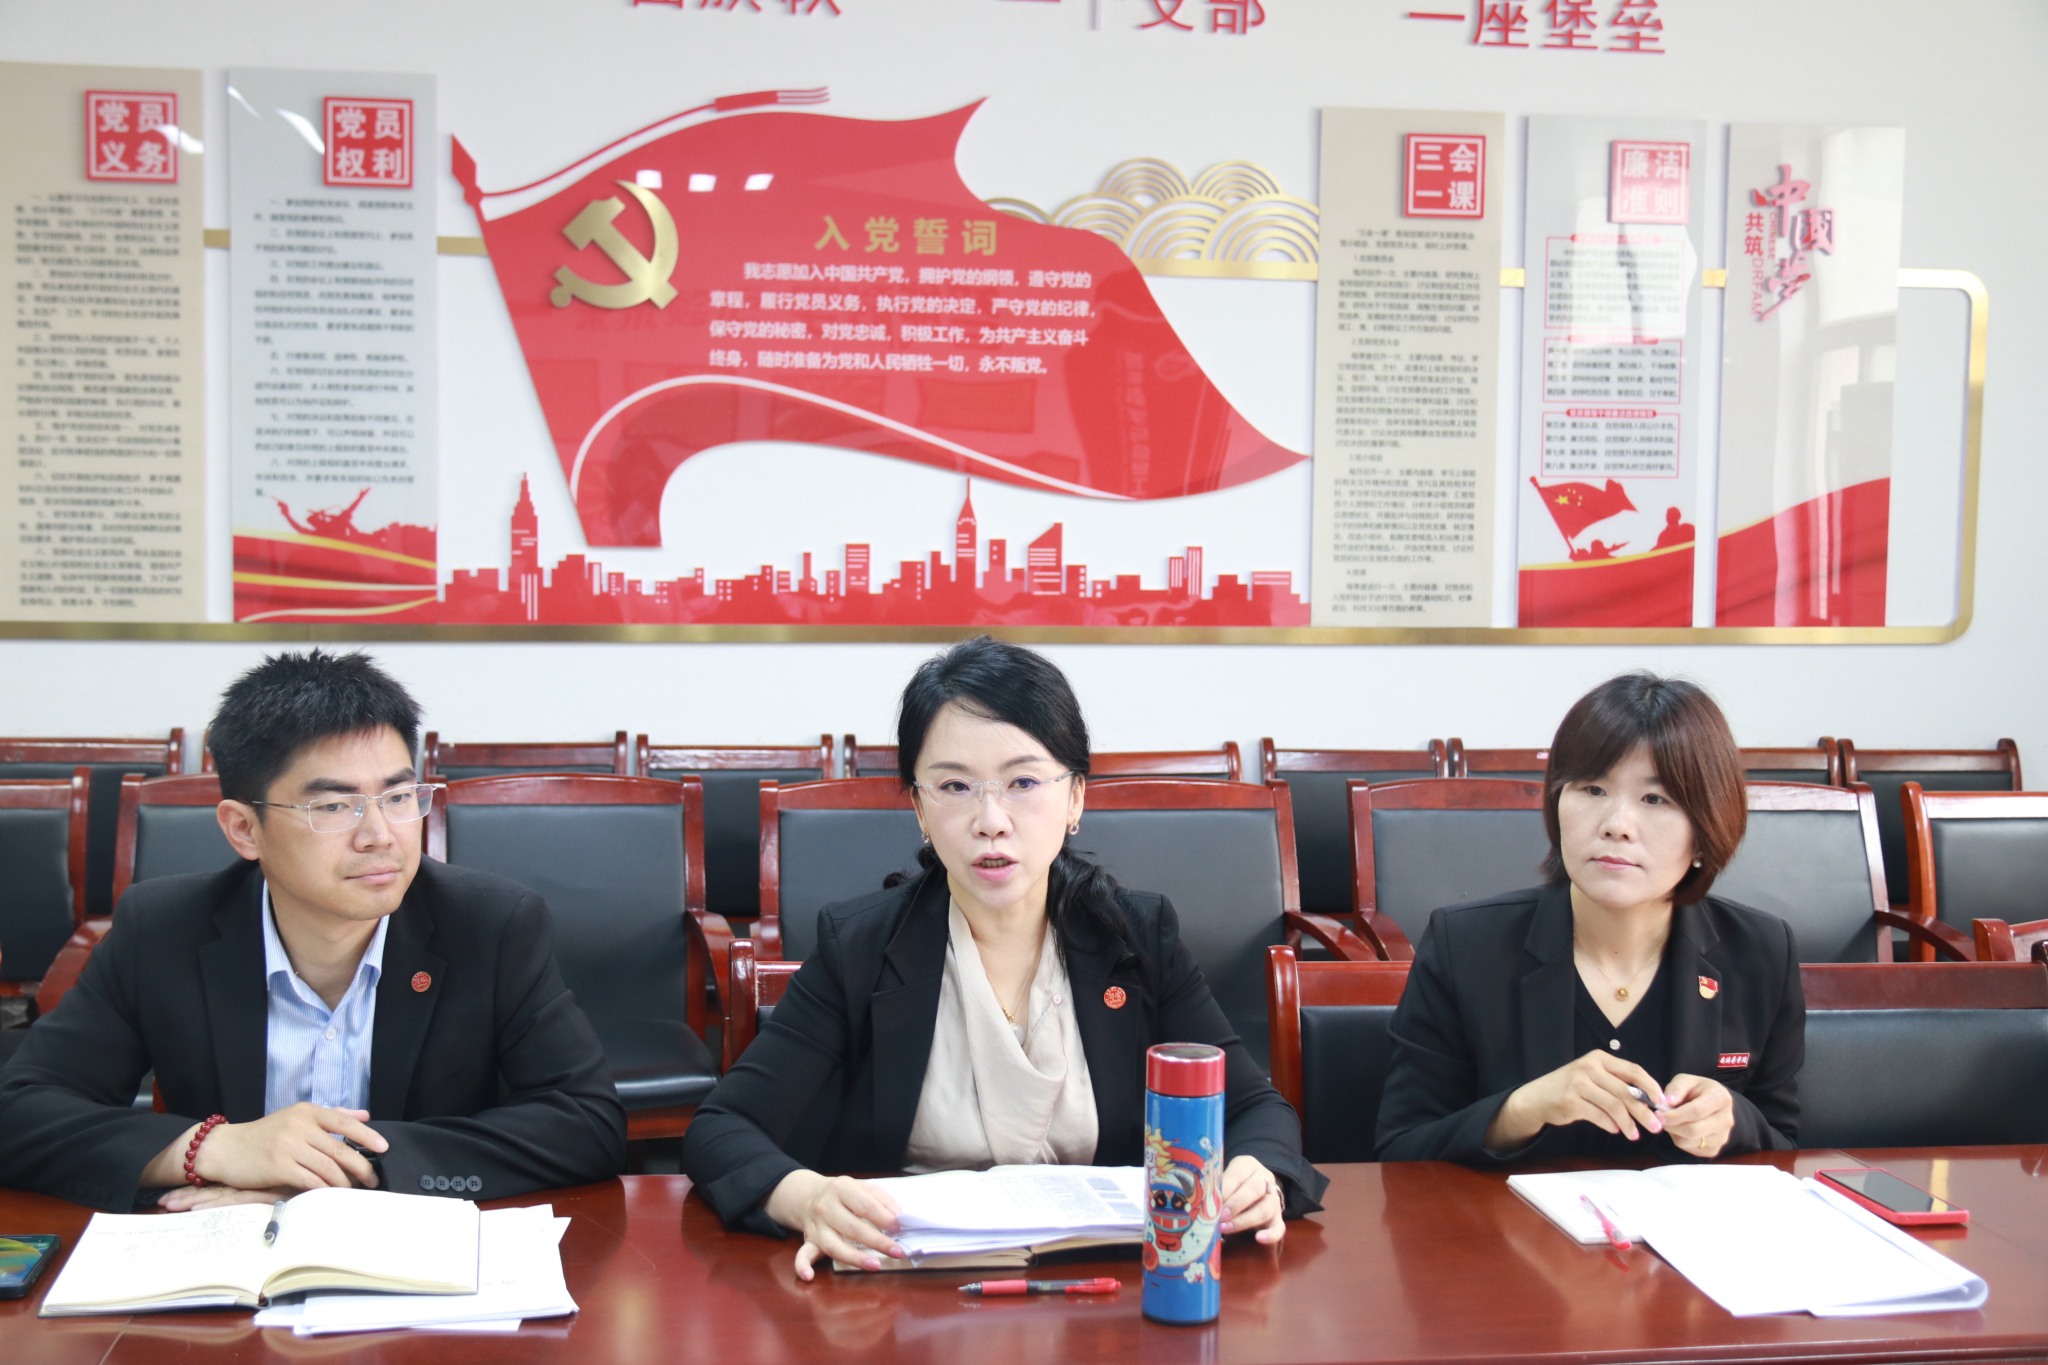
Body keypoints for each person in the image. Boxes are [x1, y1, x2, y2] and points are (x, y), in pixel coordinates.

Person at [684, 636, 1325, 1279]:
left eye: (1023, 782)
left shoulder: (1134, 938)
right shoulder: (861, 947)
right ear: (919, 809)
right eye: (955, 786)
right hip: (904, 1288)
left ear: (1075, 798)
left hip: (1104, 1286)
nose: (991, 820)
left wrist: (1256, 1172)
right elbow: (722, 1127)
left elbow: (1256, 1110)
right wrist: (806, 1197)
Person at [0, 650, 625, 1212]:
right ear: (244, 829)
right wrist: (215, 1148)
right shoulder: (162, 928)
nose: (379, 835)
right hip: (224, 1254)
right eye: (332, 806)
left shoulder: (490, 925)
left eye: (398, 796)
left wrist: (343, 1170)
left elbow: (586, 1123)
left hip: (412, 1255)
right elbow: (20, 1112)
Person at [1375, 672, 1803, 1165]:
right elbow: (1401, 1151)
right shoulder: (1465, 945)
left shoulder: (1762, 951)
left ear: (1707, 827)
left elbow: (1785, 1144)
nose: (1617, 825)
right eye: (1593, 789)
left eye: (1655, 799)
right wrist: (1522, 1109)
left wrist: (1732, 1121)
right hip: (1508, 1217)